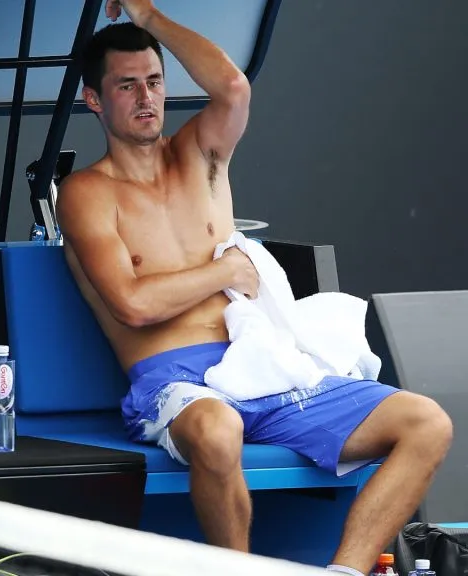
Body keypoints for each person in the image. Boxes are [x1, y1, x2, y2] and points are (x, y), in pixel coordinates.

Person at [56, 2, 453, 575]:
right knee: (220, 430)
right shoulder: (86, 194)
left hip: (260, 364)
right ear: (95, 99)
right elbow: (134, 305)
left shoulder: (201, 155)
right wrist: (224, 271)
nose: (146, 98)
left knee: (427, 423)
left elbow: (233, 88)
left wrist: (148, 16)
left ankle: (342, 572)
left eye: (154, 82)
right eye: (126, 86)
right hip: (178, 380)